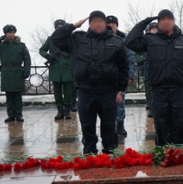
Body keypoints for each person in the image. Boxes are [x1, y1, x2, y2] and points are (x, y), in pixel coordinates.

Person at [51, 11, 129, 154]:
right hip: (85, 90)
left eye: (100, 21)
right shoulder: (78, 39)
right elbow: (55, 38)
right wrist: (74, 25)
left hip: (108, 90)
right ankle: (89, 151)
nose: (97, 24)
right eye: (94, 21)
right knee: (87, 124)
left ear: (105, 24)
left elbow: (123, 68)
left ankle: (110, 152)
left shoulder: (116, 41)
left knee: (109, 125)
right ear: (89, 23)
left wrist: (120, 90)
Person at [126, 9, 183, 146]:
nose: (166, 21)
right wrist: (145, 22)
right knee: (161, 125)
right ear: (158, 23)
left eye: (168, 18)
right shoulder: (150, 39)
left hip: (179, 90)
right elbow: (130, 41)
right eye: (162, 19)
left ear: (173, 21)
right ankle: (162, 154)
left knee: (178, 124)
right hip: (159, 90)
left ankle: (177, 153)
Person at [0, 24, 31, 122]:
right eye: (9, 33)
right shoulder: (2, 45)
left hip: (18, 71)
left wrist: (26, 71)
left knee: (18, 95)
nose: (12, 34)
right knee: (9, 96)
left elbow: (27, 59)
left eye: (13, 33)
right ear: (6, 34)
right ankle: (11, 115)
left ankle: (19, 115)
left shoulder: (21, 45)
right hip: (6, 72)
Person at [106, 15, 136, 136]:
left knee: (120, 102)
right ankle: (109, 126)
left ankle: (120, 125)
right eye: (109, 24)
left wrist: (130, 75)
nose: (111, 25)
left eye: (113, 23)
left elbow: (131, 58)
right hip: (106, 77)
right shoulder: (102, 39)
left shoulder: (124, 39)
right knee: (107, 103)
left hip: (120, 76)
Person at [39, 20, 74, 120]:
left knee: (68, 92)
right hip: (55, 69)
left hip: (67, 69)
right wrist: (48, 56)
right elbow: (41, 50)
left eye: (61, 27)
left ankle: (67, 111)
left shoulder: (69, 39)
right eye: (58, 27)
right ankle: (60, 111)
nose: (59, 28)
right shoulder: (50, 39)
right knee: (57, 92)